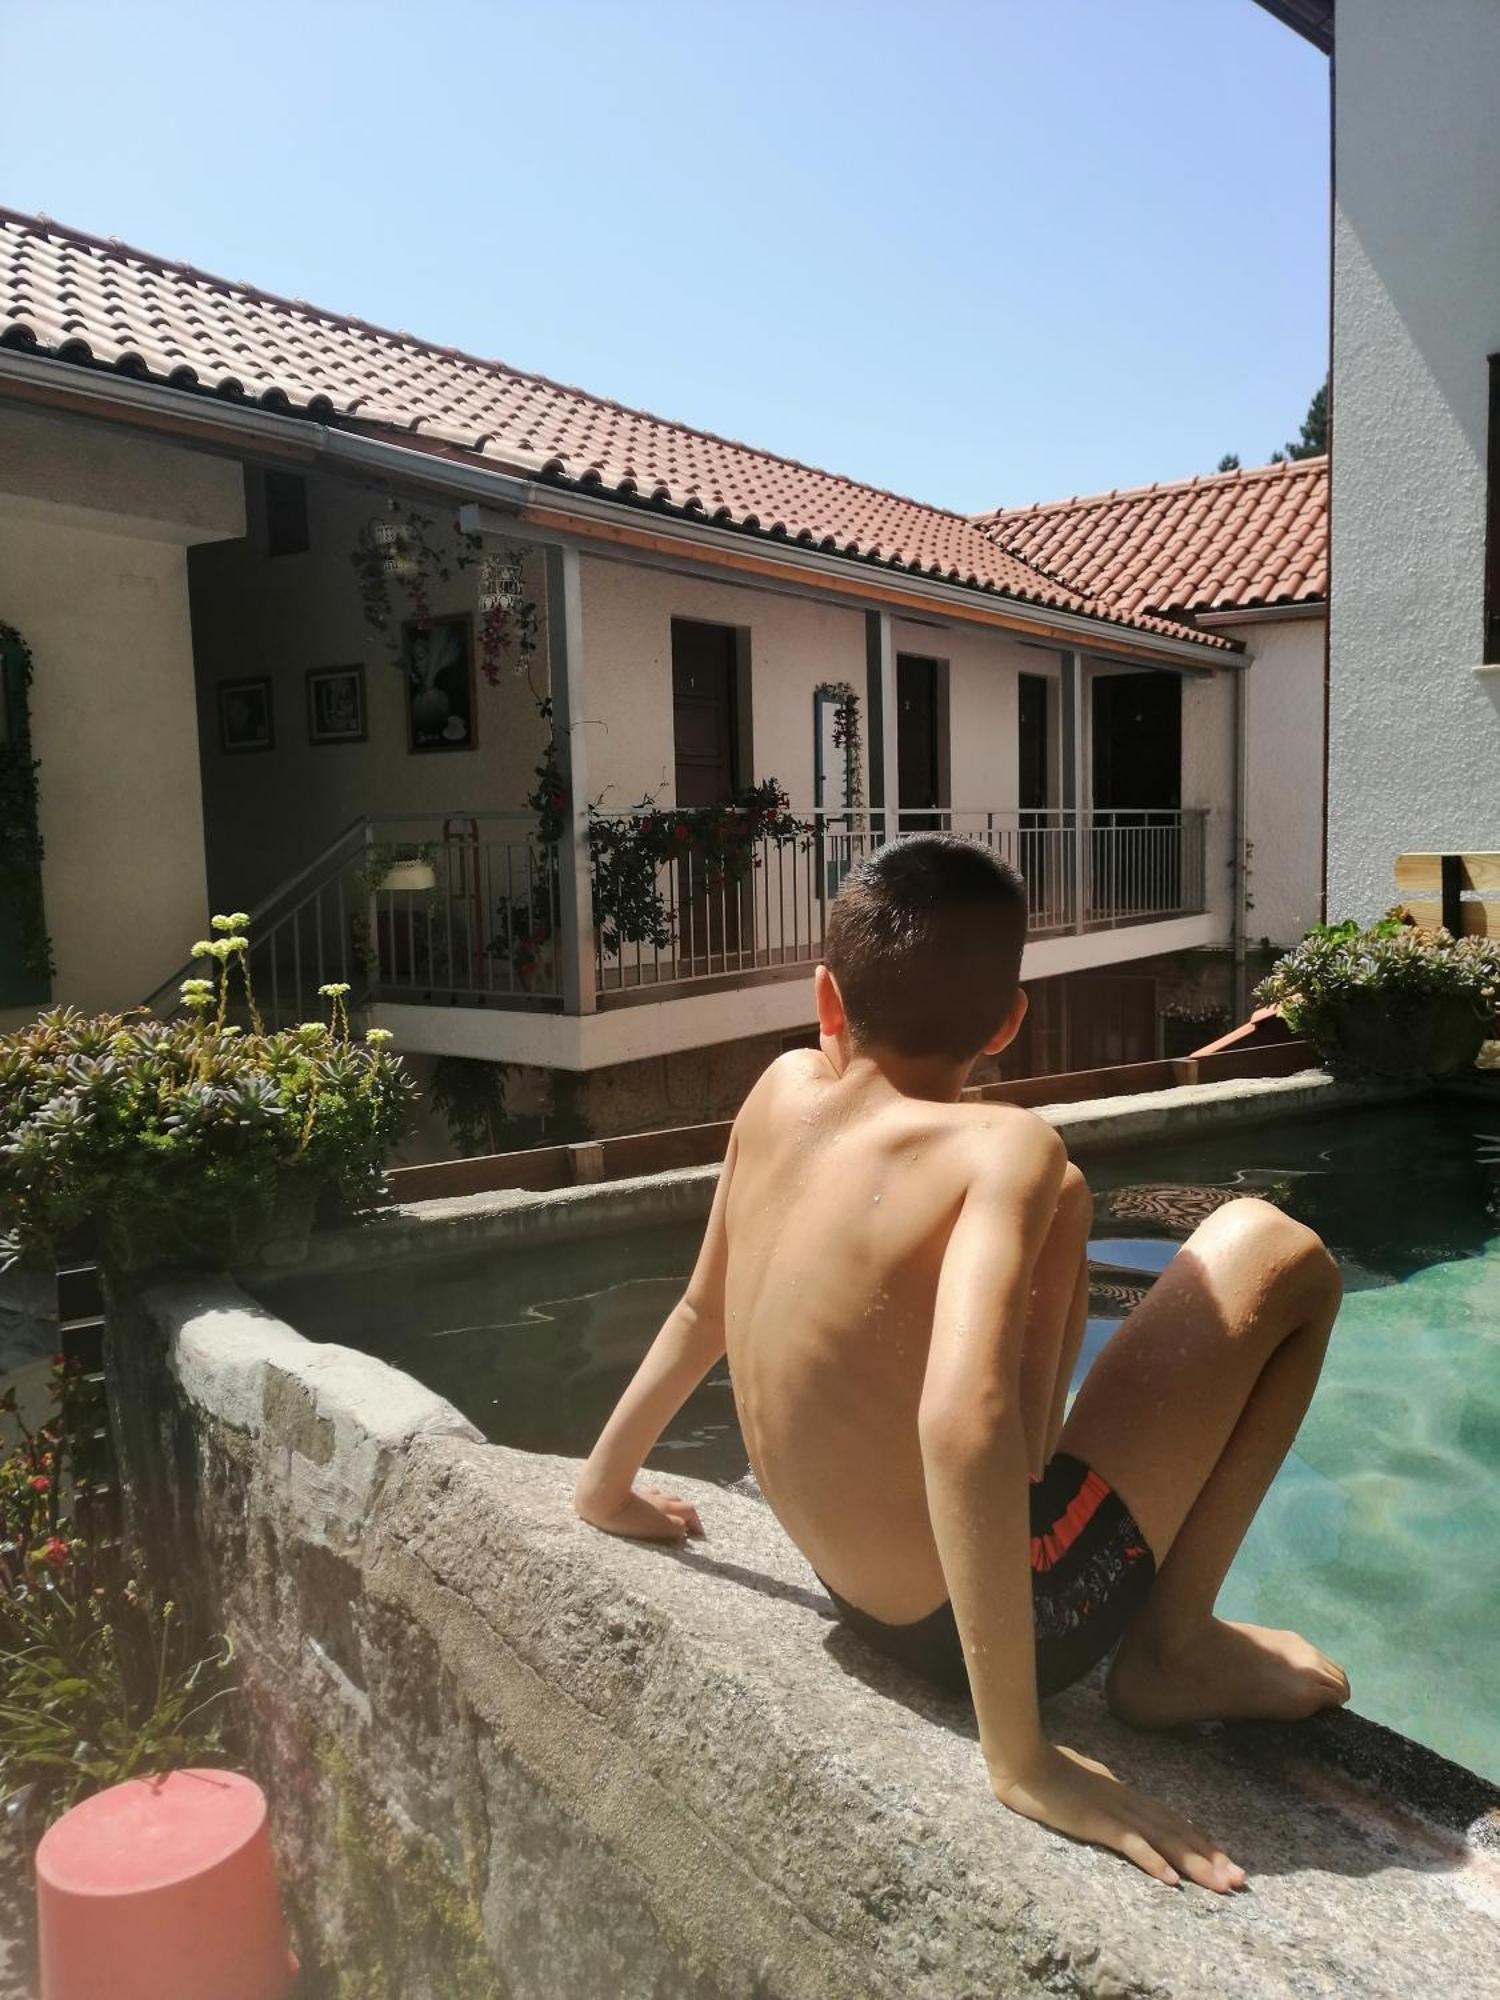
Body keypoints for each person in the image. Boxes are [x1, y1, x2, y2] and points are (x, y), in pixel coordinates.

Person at [574, 834, 1348, 1893]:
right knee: (1279, 1252)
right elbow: (961, 1419)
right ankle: (1172, 1651)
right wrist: (1021, 1758)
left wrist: (605, 1486)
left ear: (827, 997)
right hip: (1000, 1622)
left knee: (1064, 1200)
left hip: (853, 1591)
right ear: (1007, 1022)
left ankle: (1118, 1589)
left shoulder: (779, 1089)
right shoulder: (1004, 1147)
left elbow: (703, 1306)